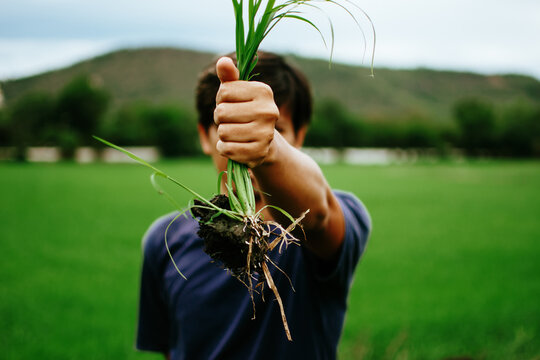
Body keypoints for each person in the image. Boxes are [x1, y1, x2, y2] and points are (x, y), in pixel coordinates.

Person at [136, 52, 371, 360]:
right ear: (204, 137)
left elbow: (321, 216)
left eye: (274, 128)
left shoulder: (318, 225)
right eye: (229, 127)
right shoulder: (164, 242)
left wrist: (270, 149)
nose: (248, 142)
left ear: (299, 136)